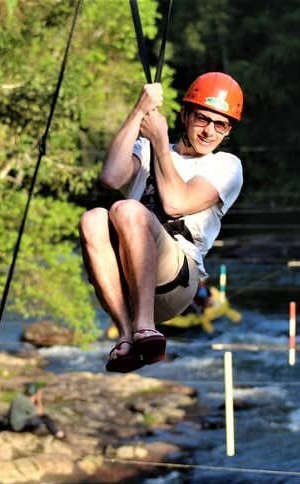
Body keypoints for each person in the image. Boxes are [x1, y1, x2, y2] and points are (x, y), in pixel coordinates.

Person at [79, 72, 244, 372]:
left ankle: (146, 325)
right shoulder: (149, 148)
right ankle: (126, 338)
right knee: (93, 219)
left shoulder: (227, 166)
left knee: (128, 210)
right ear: (185, 114)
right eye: (202, 119)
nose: (209, 131)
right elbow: (110, 177)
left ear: (228, 130)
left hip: (176, 280)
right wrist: (140, 109)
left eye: (220, 125)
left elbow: (175, 203)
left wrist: (159, 140)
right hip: (128, 280)